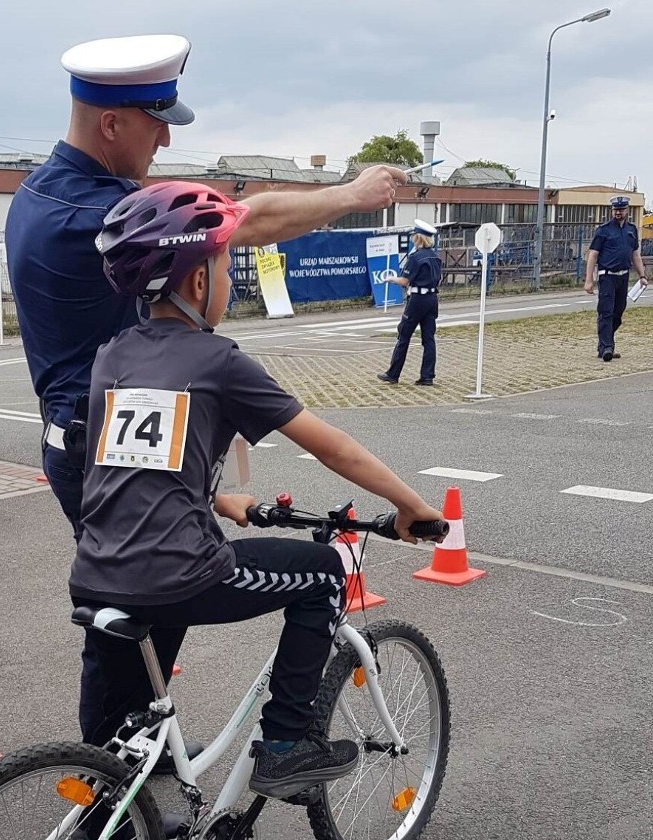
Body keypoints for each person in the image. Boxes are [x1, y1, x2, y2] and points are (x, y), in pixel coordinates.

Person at [5, 32, 407, 747]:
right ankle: (123, 774)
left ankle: (126, 764)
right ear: (111, 123)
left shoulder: (41, 194)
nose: (164, 137)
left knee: (134, 609)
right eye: (156, 121)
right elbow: (242, 220)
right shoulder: (97, 216)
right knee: (155, 593)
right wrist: (353, 194)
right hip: (112, 444)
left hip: (99, 435)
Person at [68, 182, 444, 799]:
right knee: (325, 572)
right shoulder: (218, 361)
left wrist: (217, 499)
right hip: (181, 572)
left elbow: (136, 462)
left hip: (98, 572)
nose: (230, 281)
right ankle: (288, 745)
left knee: (125, 739)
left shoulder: (112, 356)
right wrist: (412, 506)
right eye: (223, 265)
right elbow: (331, 446)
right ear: (196, 283)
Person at [377, 219, 442, 386]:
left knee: (404, 335)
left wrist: (391, 279)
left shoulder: (415, 257)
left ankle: (393, 373)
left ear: (418, 238)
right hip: (432, 299)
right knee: (429, 338)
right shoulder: (435, 257)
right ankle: (427, 376)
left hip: (417, 300)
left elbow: (405, 281)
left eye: (414, 235)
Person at [584, 196, 647, 362]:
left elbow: (635, 254)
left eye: (621, 209)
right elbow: (593, 255)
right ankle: (607, 348)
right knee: (606, 312)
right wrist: (588, 280)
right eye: (615, 210)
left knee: (618, 313)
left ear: (627, 211)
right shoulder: (603, 230)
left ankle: (605, 344)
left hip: (623, 276)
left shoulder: (631, 230)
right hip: (607, 276)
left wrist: (642, 275)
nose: (618, 212)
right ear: (612, 211)